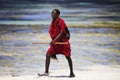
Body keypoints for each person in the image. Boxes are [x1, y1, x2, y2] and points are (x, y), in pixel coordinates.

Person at [38, 9, 75, 77]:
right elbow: (53, 32)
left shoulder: (61, 21)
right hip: (56, 43)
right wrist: (53, 41)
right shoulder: (53, 22)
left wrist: (54, 40)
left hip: (63, 43)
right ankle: (46, 72)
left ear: (58, 15)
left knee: (68, 57)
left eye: (54, 13)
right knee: (48, 54)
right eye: (52, 13)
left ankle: (72, 73)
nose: (52, 15)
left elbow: (62, 32)